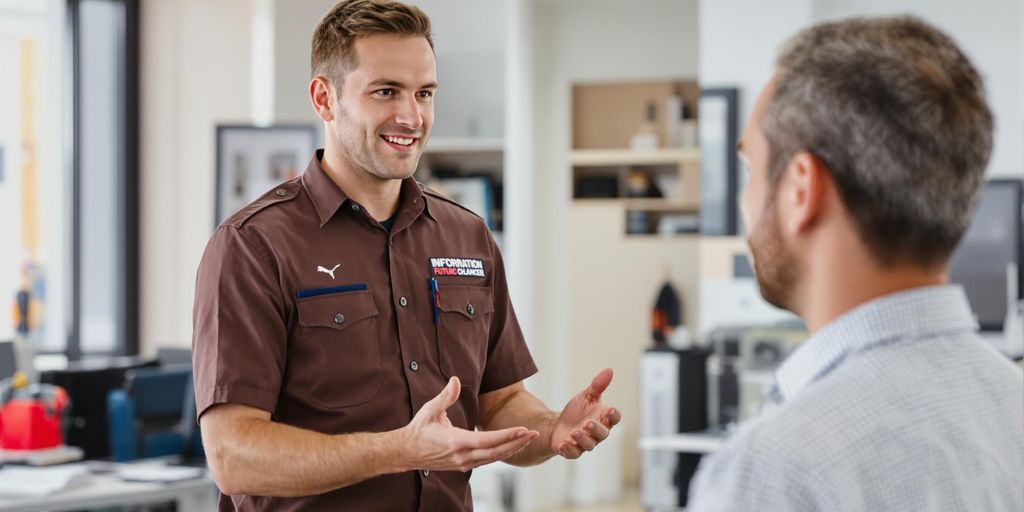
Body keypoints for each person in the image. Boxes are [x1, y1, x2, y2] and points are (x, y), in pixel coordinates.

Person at [191, 1, 621, 510]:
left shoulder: (468, 236)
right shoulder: (252, 245)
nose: (412, 116)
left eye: (424, 93)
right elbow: (234, 455)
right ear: (324, 99)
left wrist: (552, 429)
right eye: (385, 91)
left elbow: (500, 401)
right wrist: (398, 450)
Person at [687, 16, 1024, 511]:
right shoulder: (1012, 406)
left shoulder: (773, 469)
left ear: (801, 190)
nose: (745, 198)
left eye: (751, 168)